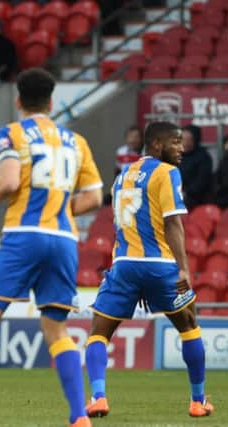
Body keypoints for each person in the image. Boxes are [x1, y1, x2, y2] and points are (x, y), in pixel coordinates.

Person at [0, 68, 103, 427]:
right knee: (57, 328)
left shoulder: (12, 133)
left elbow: (9, 181)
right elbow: (95, 197)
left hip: (23, 234)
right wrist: (58, 208)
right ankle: (78, 416)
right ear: (52, 102)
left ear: (18, 101)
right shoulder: (76, 141)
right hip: (64, 240)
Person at [85, 121, 214, 419]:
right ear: (157, 144)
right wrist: (184, 269)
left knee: (98, 334)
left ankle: (98, 397)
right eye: (176, 142)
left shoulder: (122, 176)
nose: (181, 149)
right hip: (160, 266)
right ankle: (197, 401)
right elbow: (172, 222)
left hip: (124, 266)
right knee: (188, 326)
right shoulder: (167, 172)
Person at [178, 124, 212, 210]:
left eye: (189, 140)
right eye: (183, 139)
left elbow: (201, 181)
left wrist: (186, 192)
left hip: (194, 197)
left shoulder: (203, 157)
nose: (185, 143)